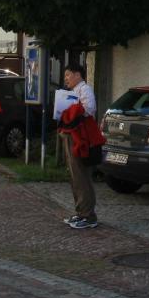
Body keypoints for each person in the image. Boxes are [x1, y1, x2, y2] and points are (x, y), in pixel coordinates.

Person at [58, 62, 101, 229]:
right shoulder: (73, 92)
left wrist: (72, 109)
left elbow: (89, 108)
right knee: (75, 176)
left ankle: (88, 215)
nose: (66, 79)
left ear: (77, 75)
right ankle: (80, 212)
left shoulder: (85, 89)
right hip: (72, 136)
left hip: (82, 138)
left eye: (68, 75)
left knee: (82, 176)